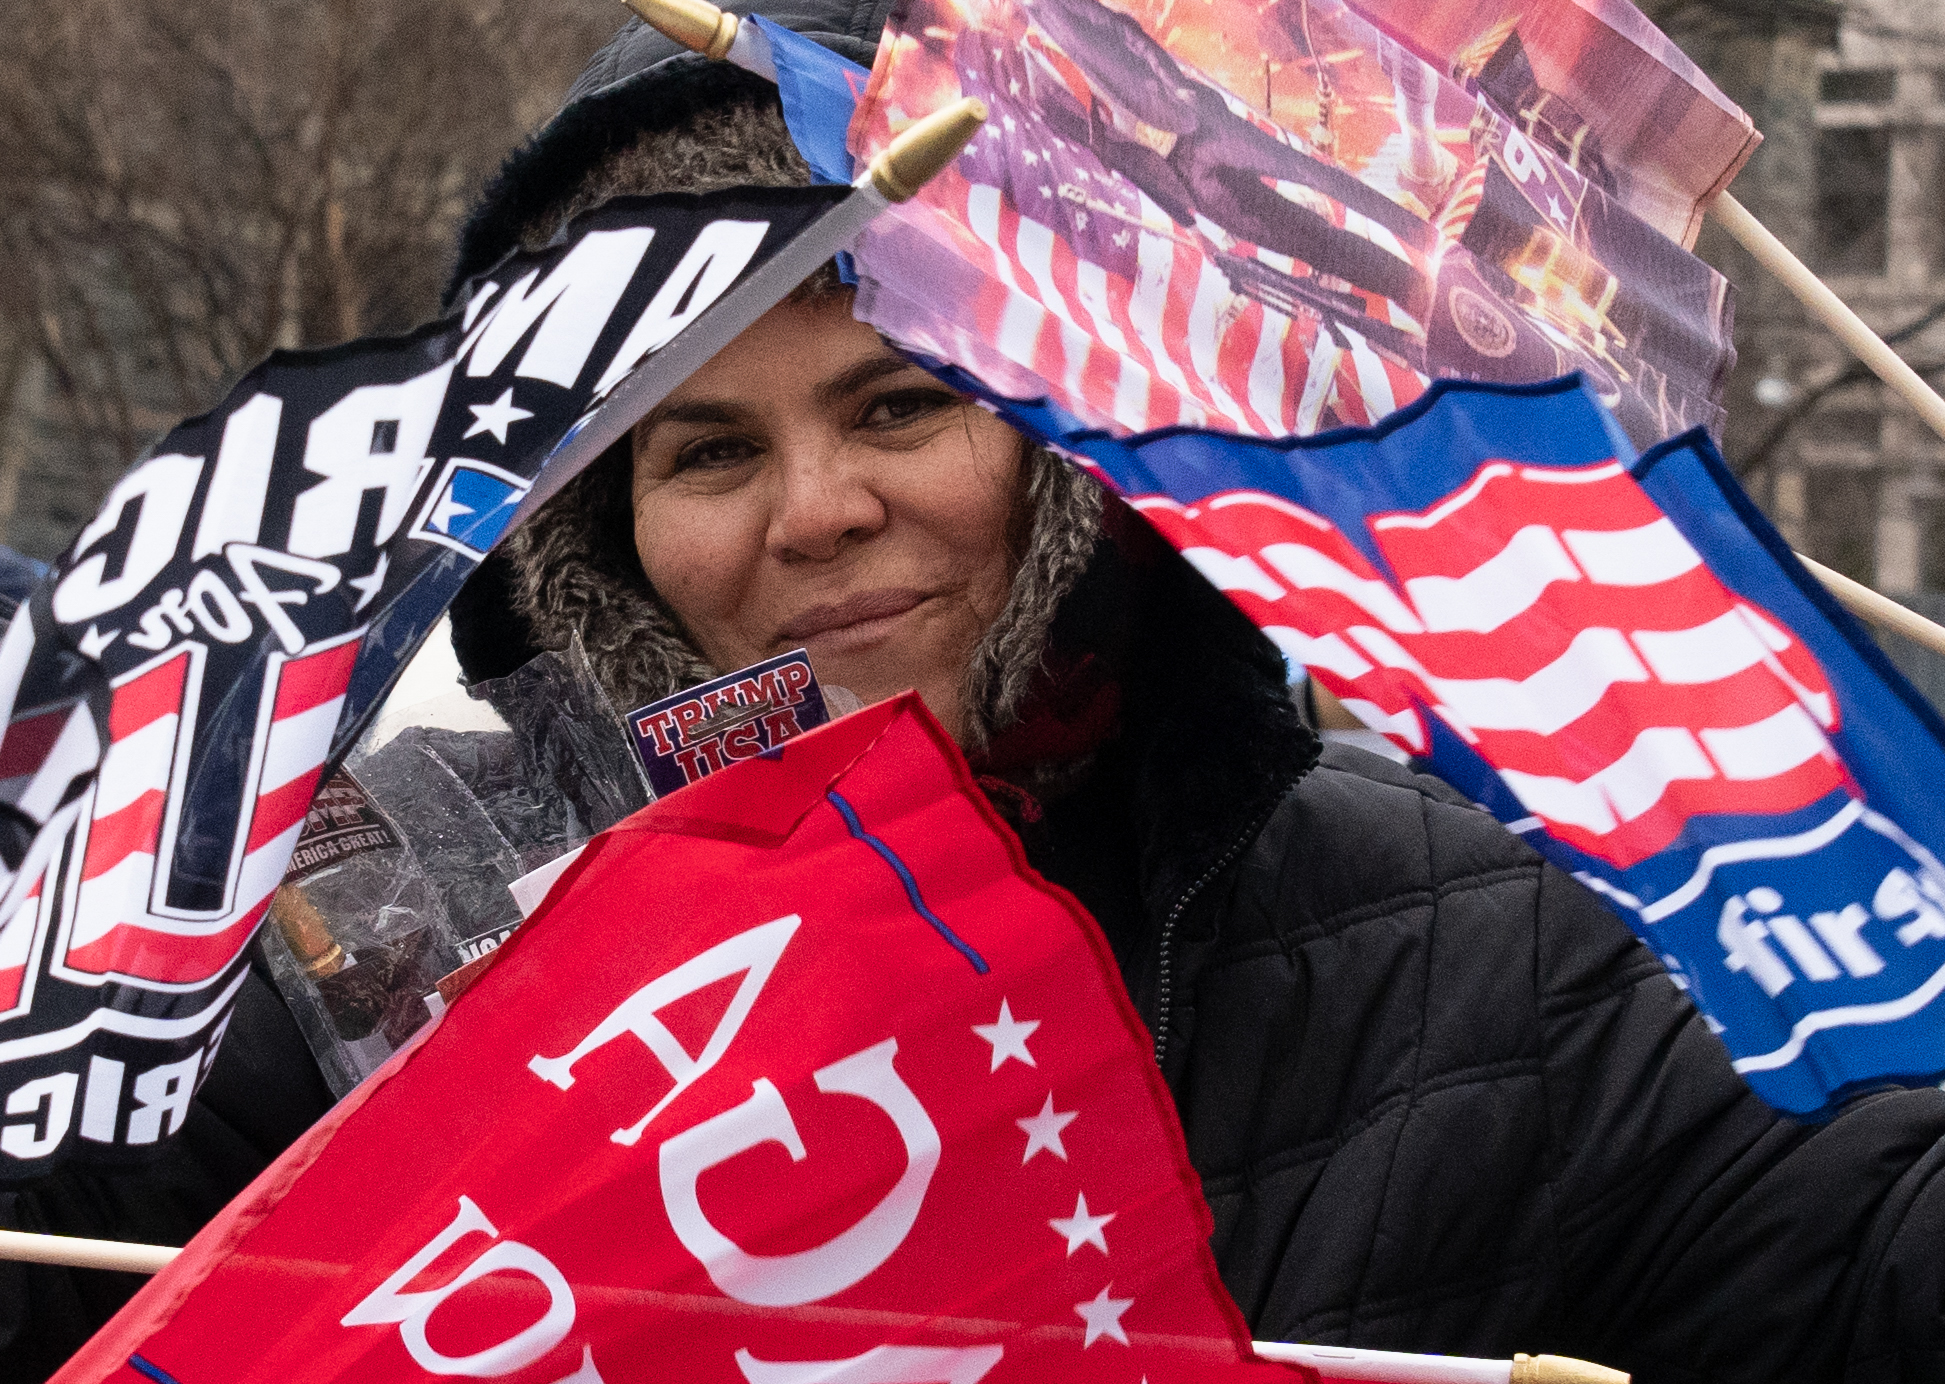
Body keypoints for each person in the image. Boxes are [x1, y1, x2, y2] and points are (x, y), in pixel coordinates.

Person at [6, 7, 1945, 1382]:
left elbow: (1859, 1271)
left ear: (1077, 432)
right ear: (597, 533)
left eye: (899, 401)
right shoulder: (371, 927)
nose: (817, 509)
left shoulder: (1489, 943)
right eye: (703, 451)